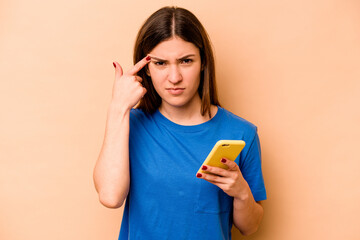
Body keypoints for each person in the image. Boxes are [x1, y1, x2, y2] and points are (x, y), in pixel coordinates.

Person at [93, 6, 266, 239]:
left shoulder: (241, 133)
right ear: (146, 69)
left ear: (203, 62)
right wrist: (118, 107)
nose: (174, 78)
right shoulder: (129, 125)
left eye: (186, 61)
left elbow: (250, 227)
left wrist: (241, 192)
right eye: (160, 63)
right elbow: (110, 197)